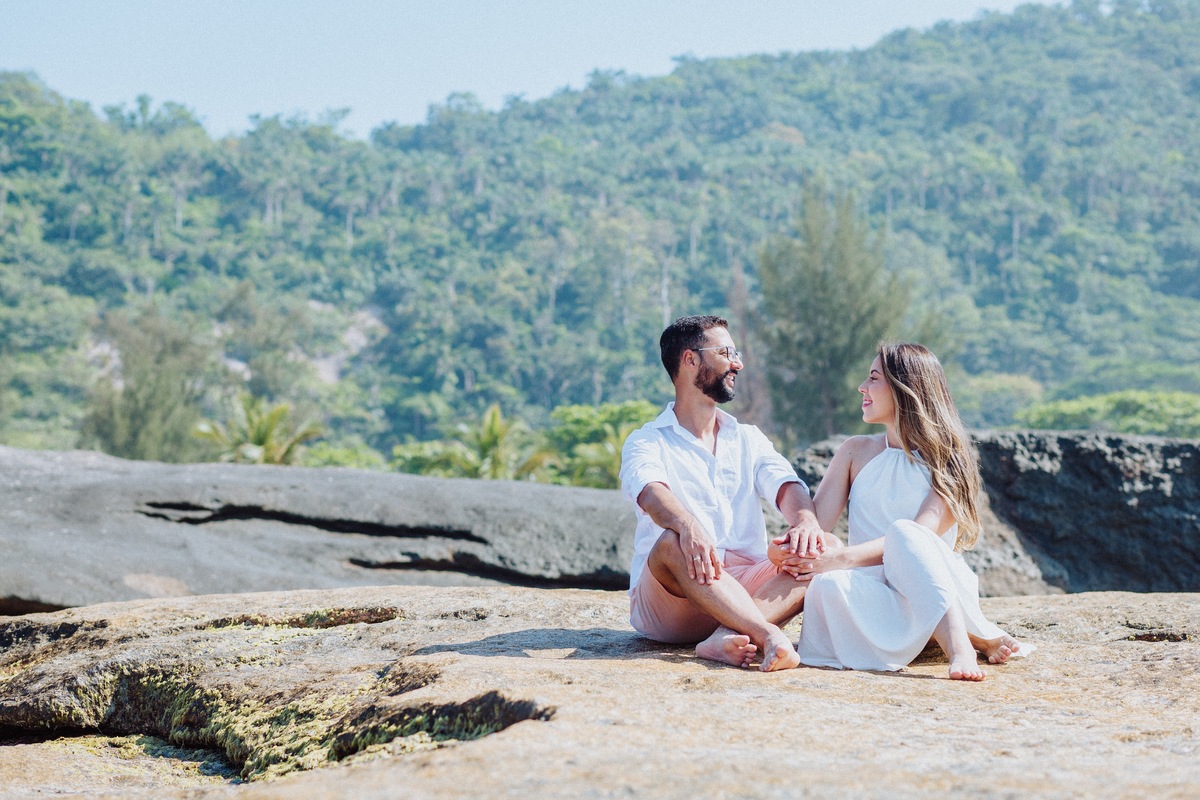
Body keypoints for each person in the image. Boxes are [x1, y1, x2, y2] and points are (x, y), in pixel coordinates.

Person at [773, 342, 1030, 680]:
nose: (862, 388)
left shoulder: (948, 458)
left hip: (928, 584)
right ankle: (966, 636)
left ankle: (960, 644)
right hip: (872, 590)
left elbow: (919, 539)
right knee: (827, 586)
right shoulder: (854, 451)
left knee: (906, 532)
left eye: (873, 378)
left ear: (904, 387)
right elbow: (817, 528)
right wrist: (793, 546)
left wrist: (843, 557)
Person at [620, 315, 836, 671]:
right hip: (674, 599)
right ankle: (765, 635)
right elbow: (650, 492)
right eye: (726, 352)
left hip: (748, 590)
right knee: (672, 541)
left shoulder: (748, 437)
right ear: (690, 360)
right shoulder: (647, 440)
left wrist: (805, 522)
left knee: (826, 547)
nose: (738, 362)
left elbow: (786, 484)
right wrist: (689, 525)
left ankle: (724, 635)